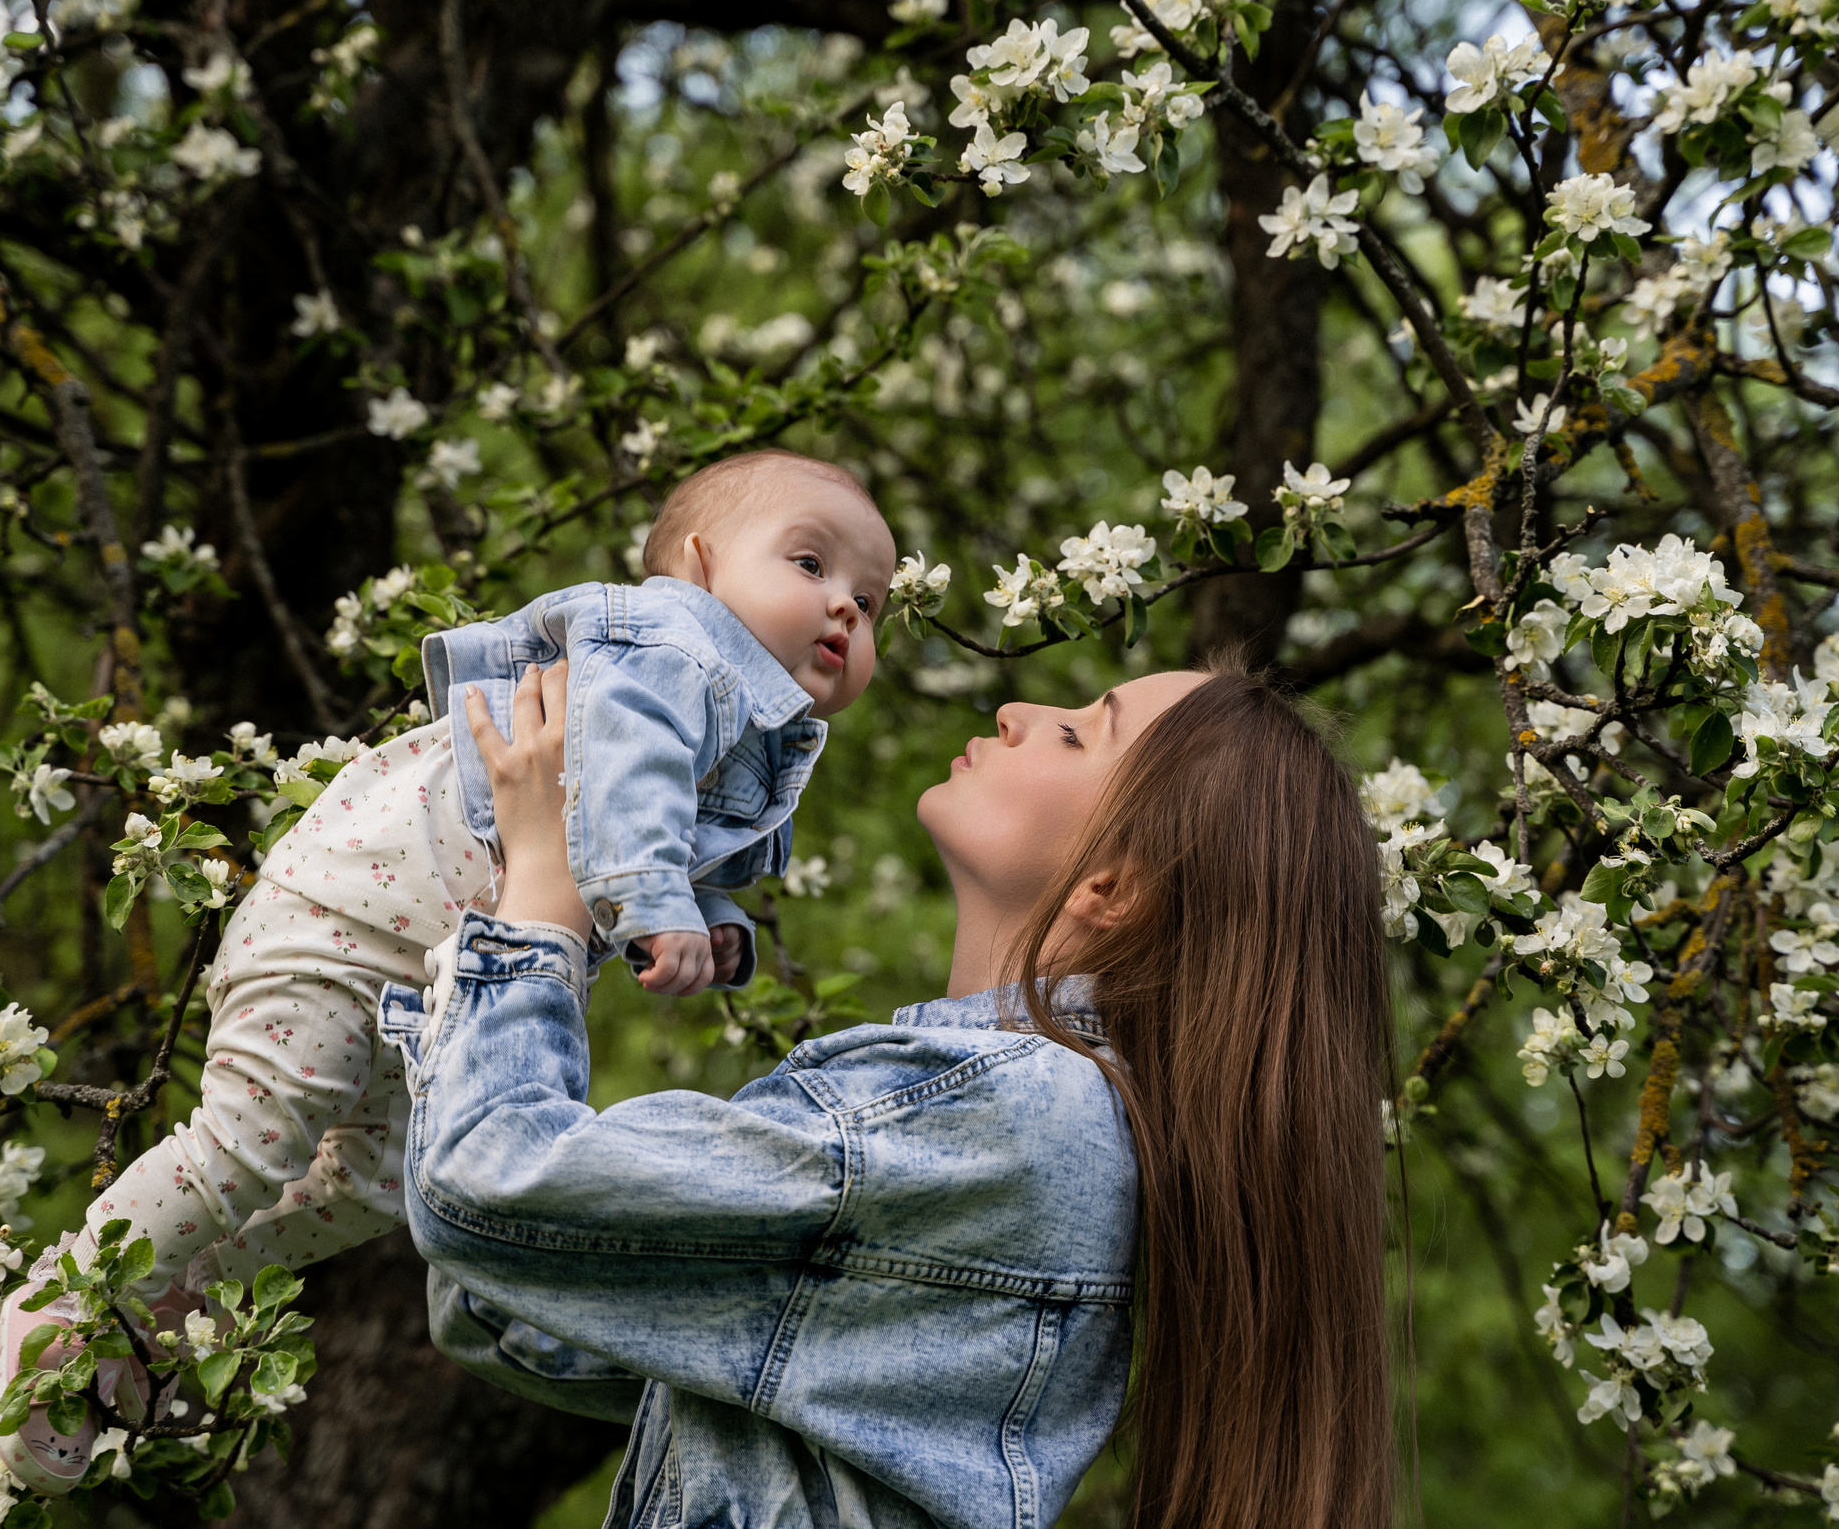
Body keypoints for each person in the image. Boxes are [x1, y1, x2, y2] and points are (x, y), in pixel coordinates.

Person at [0, 449, 898, 1493]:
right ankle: (67, 1289)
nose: (841, 608)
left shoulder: (752, 741)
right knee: (256, 1135)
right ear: (696, 567)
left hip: (436, 984)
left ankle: (174, 1284)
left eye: (868, 602)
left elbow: (677, 854)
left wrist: (712, 927)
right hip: (343, 919)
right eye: (809, 564)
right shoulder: (671, 646)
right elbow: (628, 778)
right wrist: (653, 903)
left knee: (382, 1187)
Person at [386, 655, 1393, 1529]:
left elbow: (486, 1188)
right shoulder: (1025, 1128)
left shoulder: (1015, 1119)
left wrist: (540, 912)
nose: (1019, 714)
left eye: (1082, 734)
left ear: (1114, 888)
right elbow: (512, 1312)